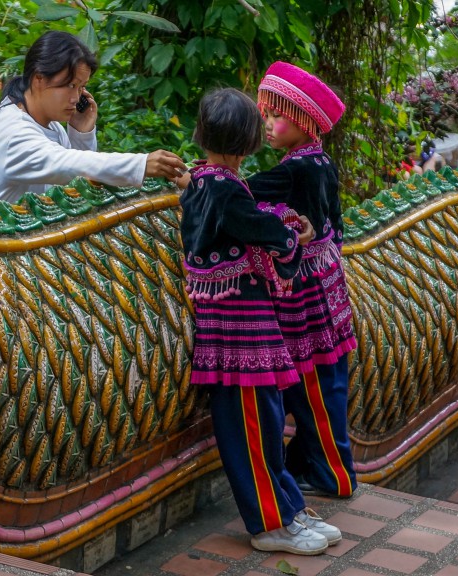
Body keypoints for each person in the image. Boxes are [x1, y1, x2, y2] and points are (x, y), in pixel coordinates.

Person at [179, 87, 339, 555]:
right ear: (248, 141)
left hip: (246, 322)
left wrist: (283, 223)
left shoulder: (210, 182)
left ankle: (287, 508)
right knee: (254, 422)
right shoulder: (222, 188)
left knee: (266, 417)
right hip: (236, 326)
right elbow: (263, 229)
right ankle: (269, 522)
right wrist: (294, 230)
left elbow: (251, 217)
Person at [246, 61, 358, 501]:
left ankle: (336, 477)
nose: (269, 125)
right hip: (329, 293)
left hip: (308, 301)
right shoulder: (320, 163)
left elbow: (239, 193)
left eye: (278, 116)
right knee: (324, 384)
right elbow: (338, 226)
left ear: (306, 122)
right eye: (267, 115)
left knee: (314, 387)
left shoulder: (296, 170)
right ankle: (323, 468)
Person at [0, 31, 185, 208]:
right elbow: (70, 165)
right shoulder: (14, 132)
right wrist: (141, 164)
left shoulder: (49, 124)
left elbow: (75, 181)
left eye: (81, 87)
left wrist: (81, 133)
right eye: (69, 85)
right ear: (39, 79)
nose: (76, 97)